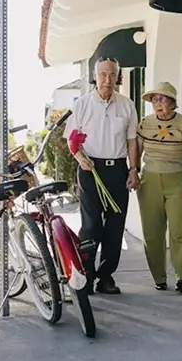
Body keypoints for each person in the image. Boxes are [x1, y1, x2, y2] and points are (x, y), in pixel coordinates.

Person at [63, 57, 140, 295]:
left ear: (118, 76)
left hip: (117, 170)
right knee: (91, 225)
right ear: (95, 76)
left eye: (112, 74)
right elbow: (71, 138)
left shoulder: (127, 105)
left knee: (115, 226)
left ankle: (106, 276)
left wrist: (133, 169)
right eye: (103, 74)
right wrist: (80, 159)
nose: (108, 79)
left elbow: (131, 141)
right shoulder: (83, 104)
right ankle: (85, 274)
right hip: (90, 170)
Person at [136, 81, 182, 294]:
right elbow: (138, 150)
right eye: (154, 99)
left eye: (162, 99)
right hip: (150, 179)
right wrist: (133, 172)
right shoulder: (145, 124)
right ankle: (159, 277)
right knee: (152, 232)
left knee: (180, 229)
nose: (157, 103)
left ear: (172, 102)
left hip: (178, 179)